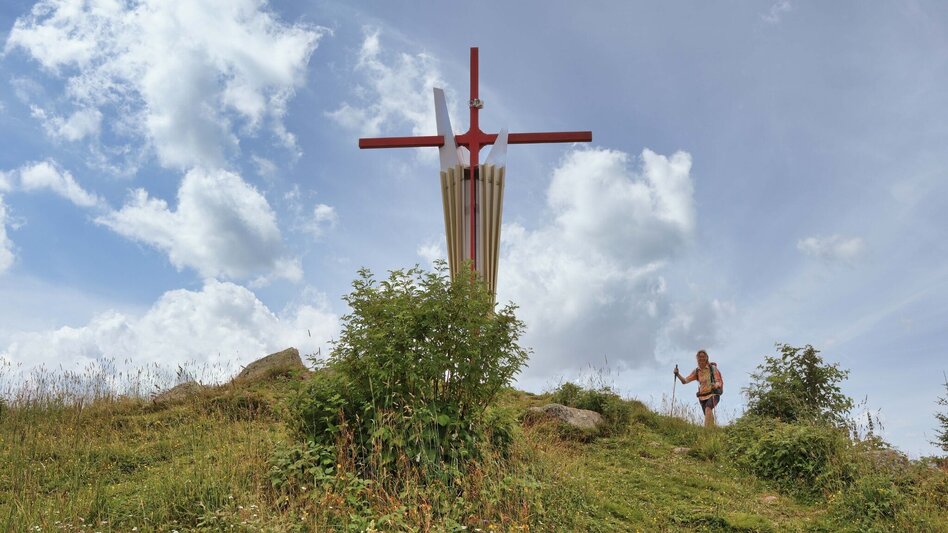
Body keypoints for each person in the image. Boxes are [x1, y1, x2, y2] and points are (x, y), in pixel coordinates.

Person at [675, 350, 723, 428]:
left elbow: (719, 381)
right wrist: (677, 374)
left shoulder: (712, 368)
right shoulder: (696, 371)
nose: (701, 358)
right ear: (697, 359)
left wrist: (716, 385)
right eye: (700, 357)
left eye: (703, 357)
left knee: (708, 409)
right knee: (708, 415)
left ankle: (706, 432)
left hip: (713, 394)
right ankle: (713, 431)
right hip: (702, 396)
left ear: (706, 358)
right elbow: (685, 381)